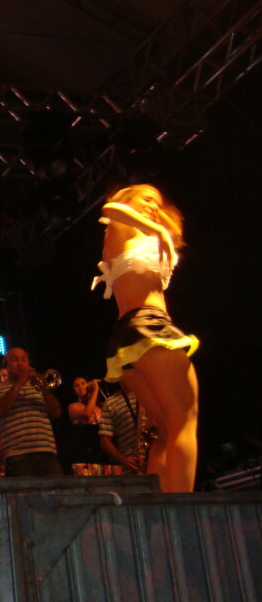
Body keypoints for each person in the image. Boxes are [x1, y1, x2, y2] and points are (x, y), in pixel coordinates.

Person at [92, 183, 199, 493]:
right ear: (128, 200)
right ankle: (183, 507)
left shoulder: (139, 235)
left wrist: (162, 230)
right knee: (184, 418)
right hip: (147, 327)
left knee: (166, 428)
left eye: (157, 202)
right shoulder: (119, 229)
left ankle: (162, 506)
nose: (154, 205)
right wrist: (159, 230)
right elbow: (110, 208)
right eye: (146, 199)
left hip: (130, 337)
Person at [0, 347, 62, 478]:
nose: (20, 363)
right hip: (17, 455)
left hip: (47, 452)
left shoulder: (38, 387)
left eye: (24, 359)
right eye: (15, 360)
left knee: (57, 491)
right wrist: (20, 383)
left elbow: (56, 413)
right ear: (6, 365)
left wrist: (43, 388)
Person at [99, 379, 141, 475]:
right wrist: (123, 459)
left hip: (155, 461)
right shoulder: (110, 403)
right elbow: (104, 442)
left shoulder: (149, 395)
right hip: (130, 469)